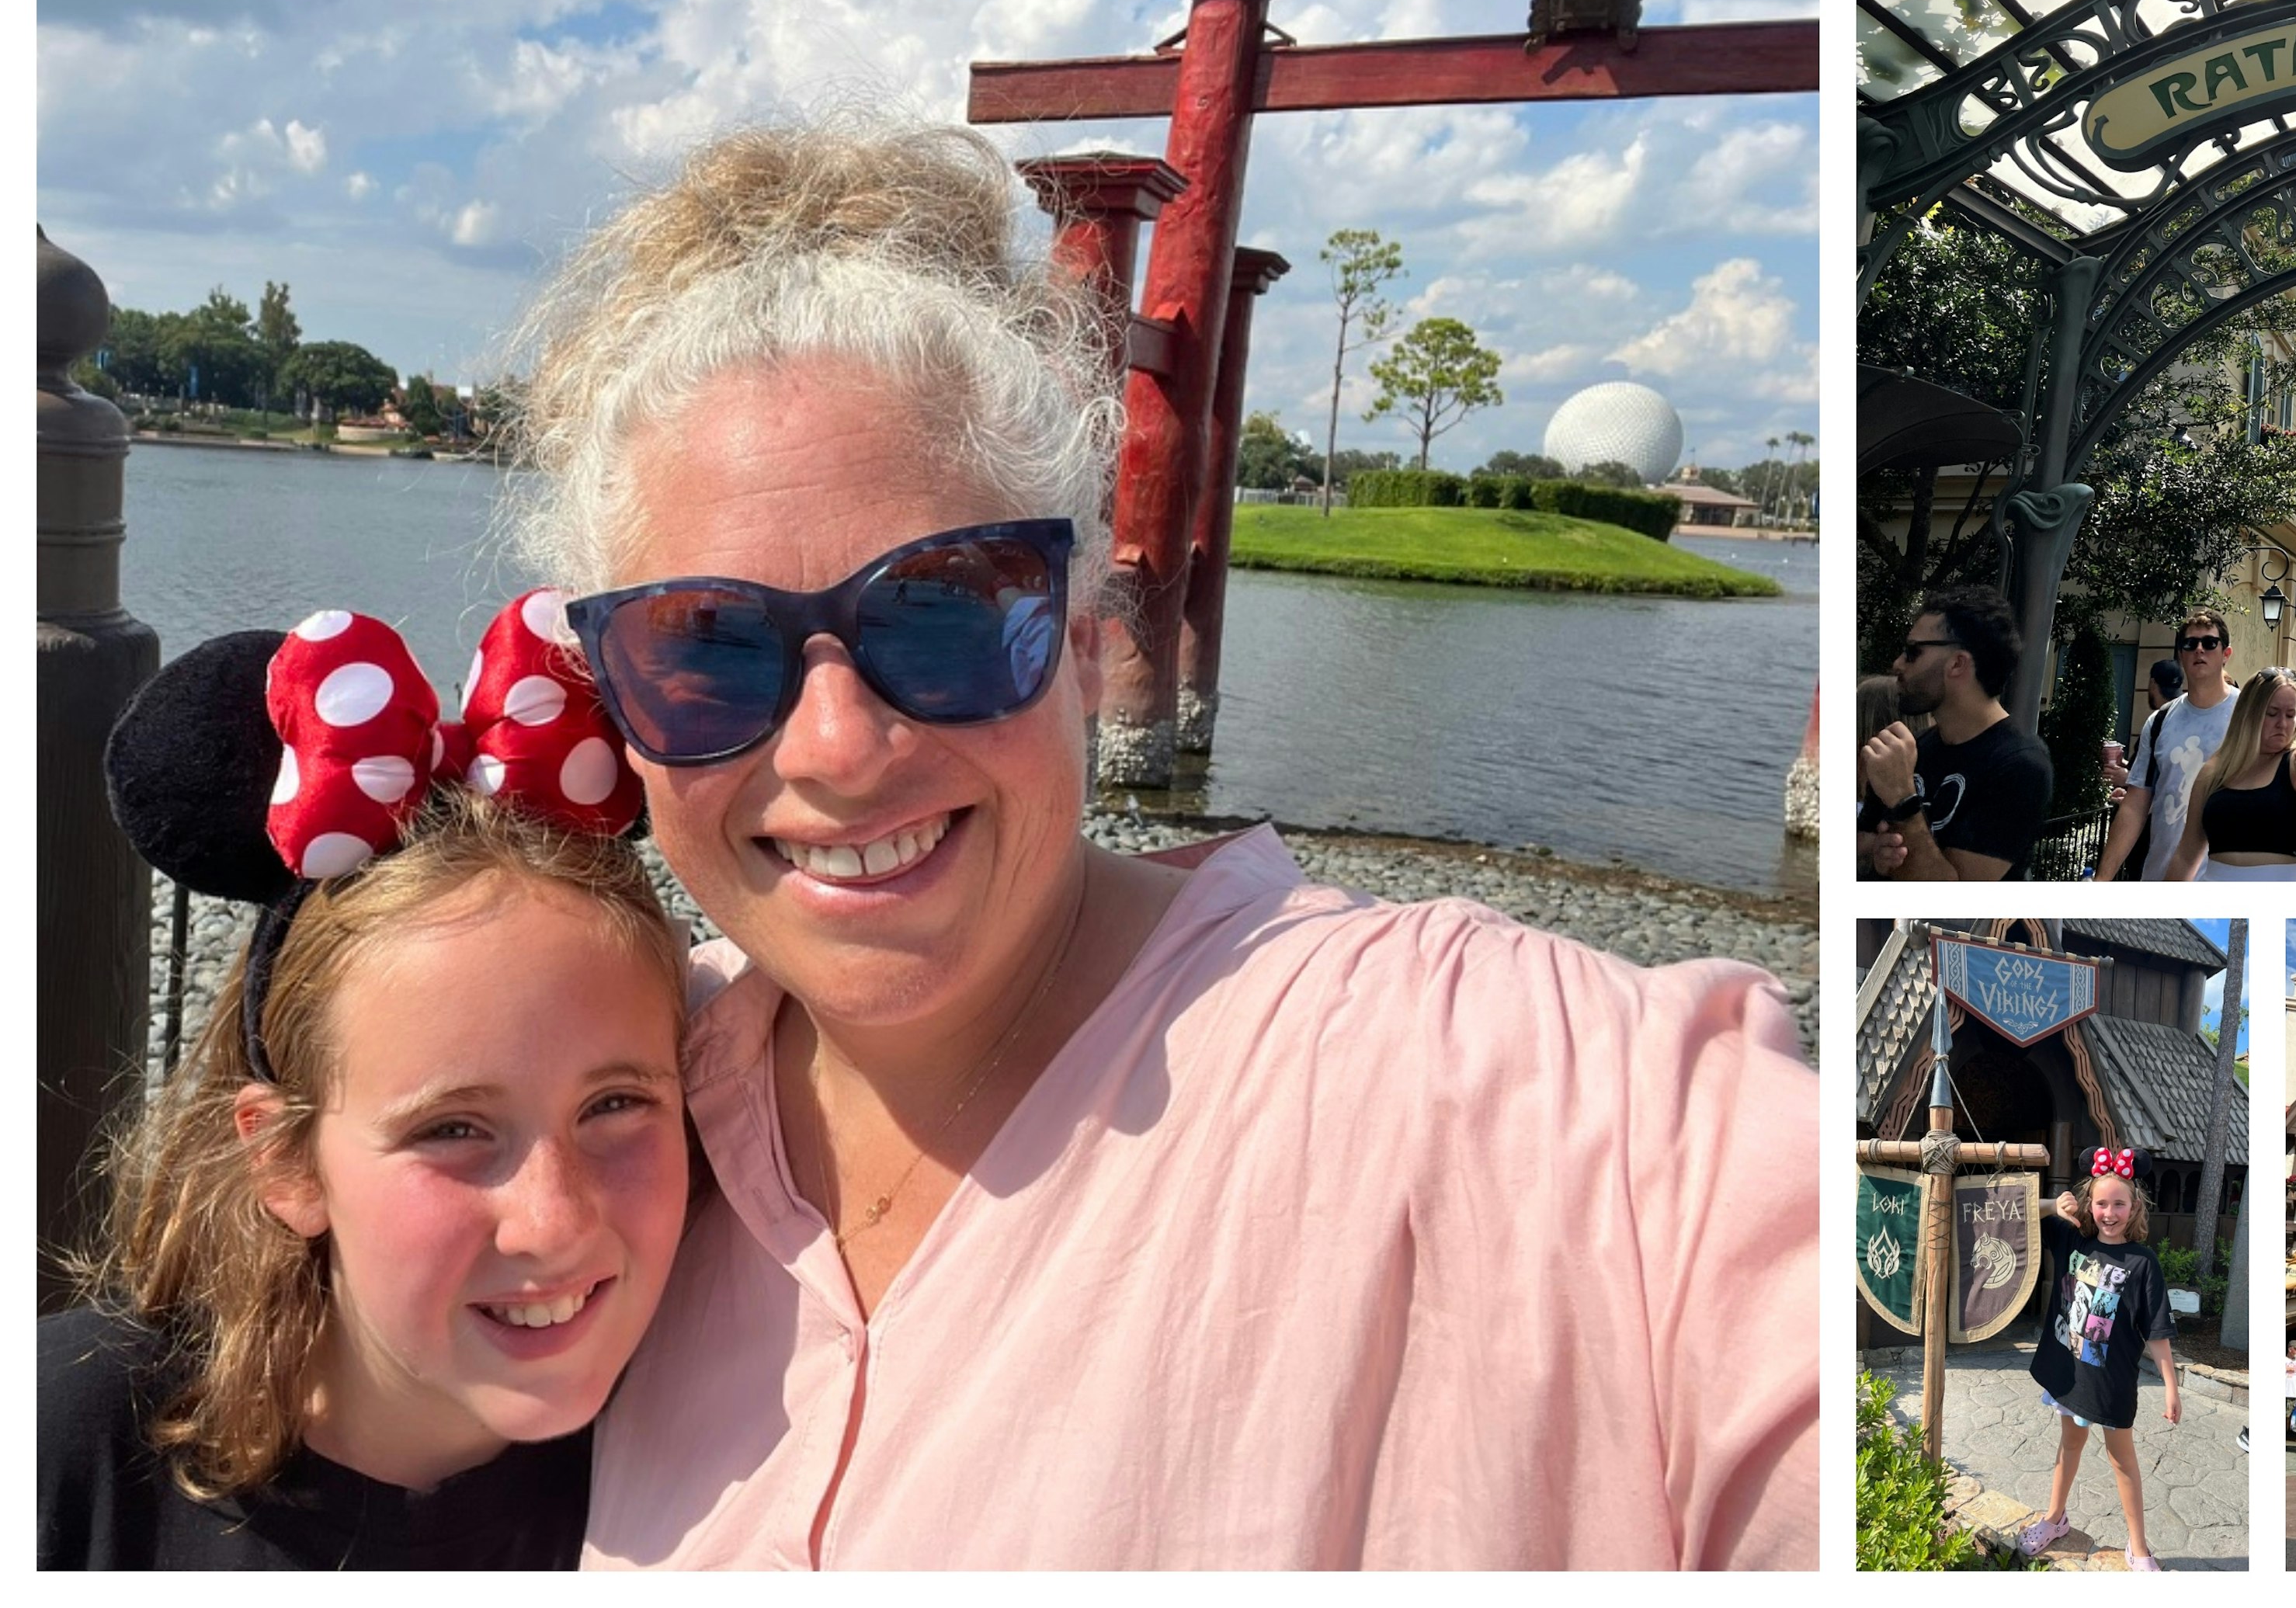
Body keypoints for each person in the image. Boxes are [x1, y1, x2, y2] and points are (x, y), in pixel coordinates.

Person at [515, 120, 1818, 1568]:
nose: (833, 744)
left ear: (1078, 643)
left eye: (943, 607)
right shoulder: (601, 1116)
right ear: (614, 703)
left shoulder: (1505, 1079)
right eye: (700, 645)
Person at [41, 603, 691, 1569]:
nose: (553, 1221)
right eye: (454, 1129)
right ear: (287, 1160)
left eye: (615, 1105)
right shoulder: (63, 1450)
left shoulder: (715, 1455)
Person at [2015, 1154, 2180, 1572]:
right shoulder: (2073, 1241)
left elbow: (2157, 1332)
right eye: (2101, 1204)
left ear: (2135, 1207)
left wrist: (2171, 1386)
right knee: (2069, 1444)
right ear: (2090, 1205)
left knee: (2121, 1459)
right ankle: (2055, 1518)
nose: (2109, 1213)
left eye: (2119, 1204)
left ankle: (2138, 1546)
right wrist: (2055, 1205)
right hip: (2071, 1375)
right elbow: (2017, 1211)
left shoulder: (2143, 1263)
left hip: (2112, 1381)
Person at [1864, 589, 2054, 881]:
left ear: (1957, 663)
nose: (1898, 664)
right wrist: (1878, 851)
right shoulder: (1914, 750)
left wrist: (1903, 801)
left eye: (1913, 652)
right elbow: (1859, 843)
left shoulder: (2021, 765)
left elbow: (1954, 903)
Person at [2096, 611, 2239, 884]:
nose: (2199, 649)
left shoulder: (2248, 717)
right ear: (2181, 654)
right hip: (2162, 878)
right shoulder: (2160, 720)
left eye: (2209, 643)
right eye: (2190, 644)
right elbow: (2135, 807)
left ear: (2225, 654)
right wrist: (2102, 881)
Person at [2166, 667, 2296, 881]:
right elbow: (2186, 855)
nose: (2283, 724)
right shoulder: (2214, 770)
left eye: (2291, 715)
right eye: (2272, 713)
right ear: (2249, 713)